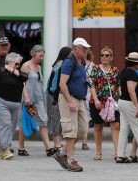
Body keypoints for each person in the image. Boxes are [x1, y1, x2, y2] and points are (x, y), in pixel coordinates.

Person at [54, 37, 93, 172]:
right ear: (75, 49)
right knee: (71, 131)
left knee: (82, 130)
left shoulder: (81, 61)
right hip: (68, 98)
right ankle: (70, 160)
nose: (86, 51)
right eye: (83, 48)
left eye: (87, 49)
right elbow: (62, 83)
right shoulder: (68, 62)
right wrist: (70, 102)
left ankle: (62, 152)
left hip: (80, 99)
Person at [0, 52, 28, 159]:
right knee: (5, 124)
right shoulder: (0, 70)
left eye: (19, 64)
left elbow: (25, 77)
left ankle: (1, 146)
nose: (19, 66)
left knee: (12, 128)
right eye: (17, 63)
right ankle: (5, 149)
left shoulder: (20, 74)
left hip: (15, 103)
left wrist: (13, 70)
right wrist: (3, 68)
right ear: (9, 62)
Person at [18, 45, 56, 156]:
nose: (41, 58)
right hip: (29, 99)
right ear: (34, 54)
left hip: (39, 99)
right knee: (25, 122)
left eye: (43, 56)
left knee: (43, 121)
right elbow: (22, 83)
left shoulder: (38, 67)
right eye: (40, 56)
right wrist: (26, 97)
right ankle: (21, 147)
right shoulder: (26, 66)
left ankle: (48, 148)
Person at [115, 52, 138, 164]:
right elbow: (131, 91)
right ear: (135, 63)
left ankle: (120, 155)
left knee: (124, 129)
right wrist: (137, 107)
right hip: (129, 103)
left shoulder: (124, 71)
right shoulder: (133, 74)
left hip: (122, 101)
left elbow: (121, 88)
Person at [89, 46, 120, 160]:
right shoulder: (96, 69)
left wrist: (119, 99)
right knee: (98, 126)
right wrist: (96, 99)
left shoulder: (115, 70)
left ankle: (117, 152)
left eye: (107, 55)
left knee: (115, 125)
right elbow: (91, 85)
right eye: (102, 55)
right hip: (98, 101)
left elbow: (118, 86)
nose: (104, 57)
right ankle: (98, 152)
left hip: (112, 102)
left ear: (111, 57)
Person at [46, 47, 72, 152]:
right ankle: (57, 144)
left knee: (57, 119)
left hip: (53, 93)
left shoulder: (58, 63)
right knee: (55, 118)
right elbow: (55, 83)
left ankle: (58, 143)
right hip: (54, 94)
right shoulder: (62, 65)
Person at [81, 49, 94, 151]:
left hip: (88, 93)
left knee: (85, 118)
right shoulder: (76, 63)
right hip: (78, 92)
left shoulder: (92, 65)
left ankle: (84, 141)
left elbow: (94, 80)